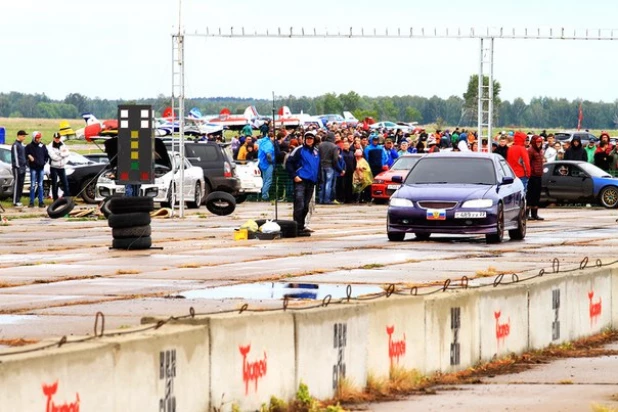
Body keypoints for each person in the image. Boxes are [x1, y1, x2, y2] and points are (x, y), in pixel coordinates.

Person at [286, 130, 320, 236]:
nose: (309, 140)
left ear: (314, 140)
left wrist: (318, 179)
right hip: (300, 180)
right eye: (307, 138)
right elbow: (289, 163)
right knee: (299, 204)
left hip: (311, 182)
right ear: (304, 139)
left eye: (311, 138)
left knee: (306, 205)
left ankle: (301, 226)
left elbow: (317, 166)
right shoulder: (299, 150)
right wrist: (294, 176)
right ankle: (296, 226)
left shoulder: (316, 152)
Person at [25, 131, 49, 208]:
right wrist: (29, 157)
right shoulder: (29, 146)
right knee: (32, 185)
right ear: (34, 138)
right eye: (37, 138)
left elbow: (46, 155)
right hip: (33, 169)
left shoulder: (43, 146)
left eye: (39, 138)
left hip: (41, 168)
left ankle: (41, 202)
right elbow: (25, 155)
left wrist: (44, 162)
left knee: (40, 185)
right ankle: (31, 202)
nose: (39, 139)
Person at [47, 132, 71, 201]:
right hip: (54, 167)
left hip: (62, 167)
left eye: (58, 138)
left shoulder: (62, 144)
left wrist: (60, 154)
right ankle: (55, 199)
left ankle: (67, 199)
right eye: (56, 138)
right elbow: (54, 157)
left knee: (65, 183)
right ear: (53, 138)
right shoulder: (50, 146)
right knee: (55, 183)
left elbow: (67, 153)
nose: (57, 139)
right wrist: (62, 155)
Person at [527, 135, 545, 220]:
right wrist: (531, 171)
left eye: (540, 142)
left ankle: (535, 214)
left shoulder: (540, 150)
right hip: (532, 176)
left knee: (537, 195)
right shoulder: (530, 150)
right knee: (530, 195)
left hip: (539, 175)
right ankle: (527, 213)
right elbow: (528, 162)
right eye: (537, 142)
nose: (539, 143)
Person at [257, 133, 276, 201]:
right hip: (267, 163)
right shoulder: (269, 144)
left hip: (262, 163)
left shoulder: (262, 141)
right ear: (271, 137)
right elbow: (268, 154)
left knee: (265, 180)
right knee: (268, 180)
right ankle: (264, 195)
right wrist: (271, 162)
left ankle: (263, 195)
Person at [11, 130, 27, 206]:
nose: (24, 137)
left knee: (21, 184)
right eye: (23, 136)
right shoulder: (15, 145)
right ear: (19, 136)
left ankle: (18, 199)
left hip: (23, 167)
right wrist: (18, 166)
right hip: (17, 168)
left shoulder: (22, 145)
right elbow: (15, 157)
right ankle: (15, 201)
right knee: (17, 184)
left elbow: (23, 156)